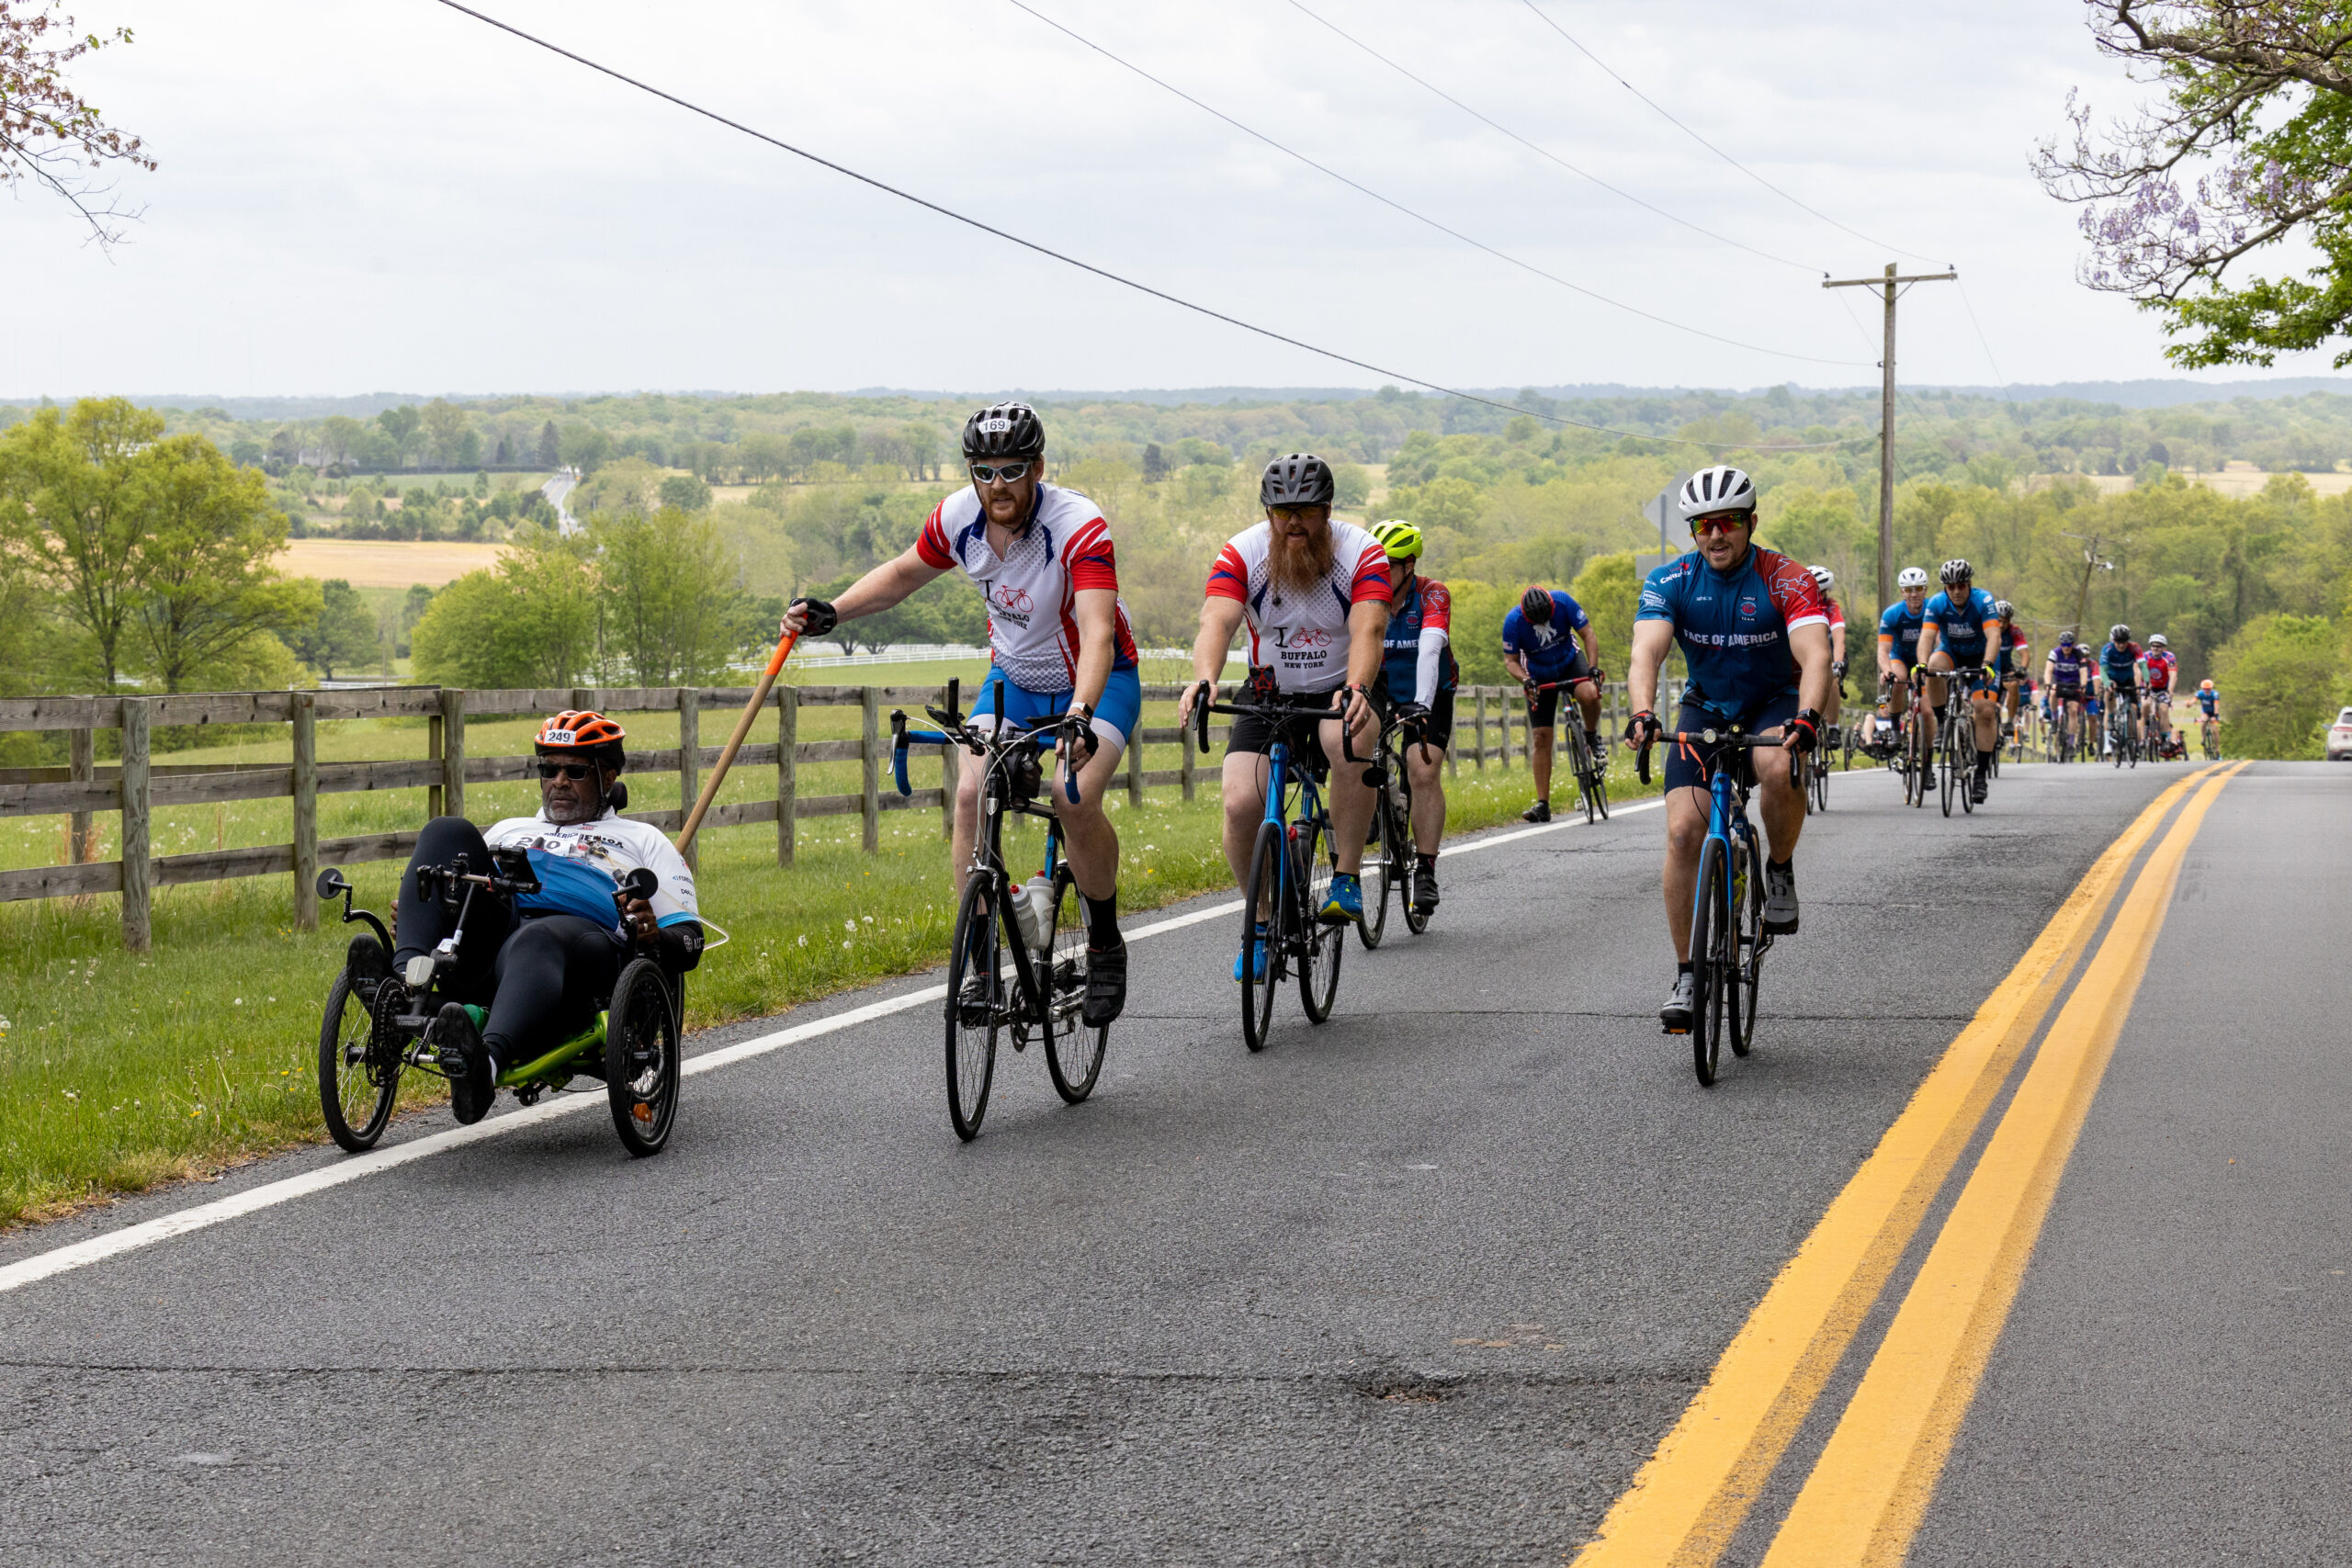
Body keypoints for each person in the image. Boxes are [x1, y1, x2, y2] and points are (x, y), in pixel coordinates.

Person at [778, 401, 1139, 1026]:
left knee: (1071, 795)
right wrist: (832, 612)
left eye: (1012, 470)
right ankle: (979, 970)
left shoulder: (1079, 525)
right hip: (1016, 684)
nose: (997, 485)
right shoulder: (959, 518)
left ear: (1038, 468)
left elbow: (1099, 631)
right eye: (984, 470)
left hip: (1097, 681)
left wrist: (1080, 713)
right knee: (971, 794)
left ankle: (1105, 942)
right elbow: (900, 576)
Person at [356, 711, 704, 1125]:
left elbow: (690, 941)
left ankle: (482, 1067)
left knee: (537, 936)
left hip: (582, 950)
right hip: (497, 944)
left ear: (607, 777)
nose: (559, 781)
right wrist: (425, 913)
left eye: (574, 771)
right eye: (548, 769)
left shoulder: (643, 839)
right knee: (446, 830)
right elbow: (461, 893)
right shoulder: (507, 830)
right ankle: (398, 993)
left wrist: (650, 934)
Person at [1623, 466, 1831, 1032]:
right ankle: (1688, 974)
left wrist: (1808, 717)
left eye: (1730, 522)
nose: (1717, 534)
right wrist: (1643, 711)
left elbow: (1815, 654)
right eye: (1704, 524)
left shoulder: (1784, 577)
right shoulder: (1671, 581)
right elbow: (1647, 652)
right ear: (1693, 531)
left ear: (1751, 523)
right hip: (1706, 708)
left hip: (1772, 703)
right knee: (1683, 832)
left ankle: (1780, 869)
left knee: (1778, 763)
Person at [1179, 454, 1390, 980]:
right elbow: (1217, 620)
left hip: (1340, 688)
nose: (1293, 522)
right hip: (1269, 692)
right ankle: (1260, 923)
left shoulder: (1361, 552)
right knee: (1238, 803)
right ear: (1268, 512)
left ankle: (1345, 876)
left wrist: (1357, 687)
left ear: (1328, 510)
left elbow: (1369, 630)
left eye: (1307, 511)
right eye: (1281, 511)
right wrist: (1205, 677)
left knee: (1346, 740)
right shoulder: (1244, 551)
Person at [1371, 520, 1454, 914]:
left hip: (1431, 691)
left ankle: (1425, 868)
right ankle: (1371, 807)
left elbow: (1431, 649)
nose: (1379, 572)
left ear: (1409, 565)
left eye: (1387, 564)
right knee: (1351, 750)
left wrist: (1421, 705)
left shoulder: (1432, 594)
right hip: (1382, 687)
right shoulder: (1366, 595)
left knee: (1422, 772)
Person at [1502, 583, 1605, 823]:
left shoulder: (1563, 601)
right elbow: (1511, 661)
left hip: (1570, 661)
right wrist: (1526, 681)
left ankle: (1591, 736)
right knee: (1540, 737)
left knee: (1589, 694)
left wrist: (1592, 668)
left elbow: (1588, 634)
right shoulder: (1513, 621)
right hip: (1539, 675)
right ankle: (1543, 804)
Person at [1914, 558, 2003, 806]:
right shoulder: (1936, 603)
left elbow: (1994, 635)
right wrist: (1920, 664)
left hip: (1981, 658)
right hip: (1952, 654)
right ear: (1945, 588)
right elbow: (1927, 636)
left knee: (1985, 711)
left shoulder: (1983, 600)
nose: (1956, 591)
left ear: (1969, 584)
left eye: (1961, 585)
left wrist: (1987, 664)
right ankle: (1943, 723)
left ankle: (1981, 777)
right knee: (1932, 668)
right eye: (1950, 586)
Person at [1875, 566, 1931, 752]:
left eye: (1918, 589)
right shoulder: (1892, 614)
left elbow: (1940, 643)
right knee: (1897, 679)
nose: (1914, 594)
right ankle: (1894, 727)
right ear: (1902, 592)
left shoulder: (1932, 609)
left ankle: (1927, 763)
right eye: (1908, 590)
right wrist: (1886, 671)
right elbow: (1883, 650)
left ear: (1926, 590)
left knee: (1928, 712)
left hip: (1925, 658)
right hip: (1900, 657)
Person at [1809, 565, 1849, 747]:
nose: (1816, 597)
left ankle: (1833, 728)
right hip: (1808, 656)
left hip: (1832, 655)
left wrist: (1838, 663)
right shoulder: (1798, 606)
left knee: (1831, 678)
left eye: (1821, 592)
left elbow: (1839, 638)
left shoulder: (1831, 607)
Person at [2098, 624, 2146, 753]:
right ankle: (2107, 741)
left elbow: (2143, 666)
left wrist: (2147, 681)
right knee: (2110, 700)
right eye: (2118, 642)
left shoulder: (2134, 648)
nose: (2121, 645)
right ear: (2113, 640)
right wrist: (2107, 683)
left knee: (2134, 709)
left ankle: (2131, 741)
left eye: (2124, 642)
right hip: (2111, 679)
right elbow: (2102, 670)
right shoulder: (2107, 649)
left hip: (2127, 679)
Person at [2045, 629, 2091, 757]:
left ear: (2073, 644)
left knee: (2073, 710)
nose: (2066, 647)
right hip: (2058, 682)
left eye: (2069, 645)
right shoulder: (2054, 653)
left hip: (2073, 683)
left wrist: (2083, 686)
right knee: (2053, 693)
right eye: (2064, 645)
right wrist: (2048, 684)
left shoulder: (2079, 654)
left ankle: (2071, 743)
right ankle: (2054, 719)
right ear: (2060, 644)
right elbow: (2048, 670)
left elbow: (2083, 672)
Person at [1992, 599, 2030, 741]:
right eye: (1999, 620)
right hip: (1989, 667)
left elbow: (2025, 653)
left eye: (2005, 621)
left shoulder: (2014, 631)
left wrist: (2022, 669)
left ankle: (2009, 721)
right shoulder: (1986, 628)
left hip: (2006, 668)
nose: (2002, 625)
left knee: (2014, 685)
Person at [2143, 632, 2179, 750]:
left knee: (2163, 710)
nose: (2155, 648)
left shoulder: (2169, 657)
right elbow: (2140, 672)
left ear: (2163, 648)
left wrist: (2170, 691)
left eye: (2158, 646)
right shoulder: (2146, 656)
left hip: (2164, 688)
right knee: (2145, 705)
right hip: (2149, 686)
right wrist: (2143, 686)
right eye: (2153, 646)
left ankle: (2164, 738)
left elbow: (2173, 675)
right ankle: (2146, 728)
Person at [2195, 678, 2222, 756]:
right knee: (2203, 721)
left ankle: (2217, 749)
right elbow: (2193, 700)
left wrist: (2215, 716)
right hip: (2205, 712)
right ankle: (2203, 739)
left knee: (2215, 730)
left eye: (2208, 689)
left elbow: (2216, 705)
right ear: (2202, 688)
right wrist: (2189, 704)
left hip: (2213, 712)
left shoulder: (2215, 694)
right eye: (2205, 689)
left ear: (2211, 688)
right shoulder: (2200, 693)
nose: (2206, 690)